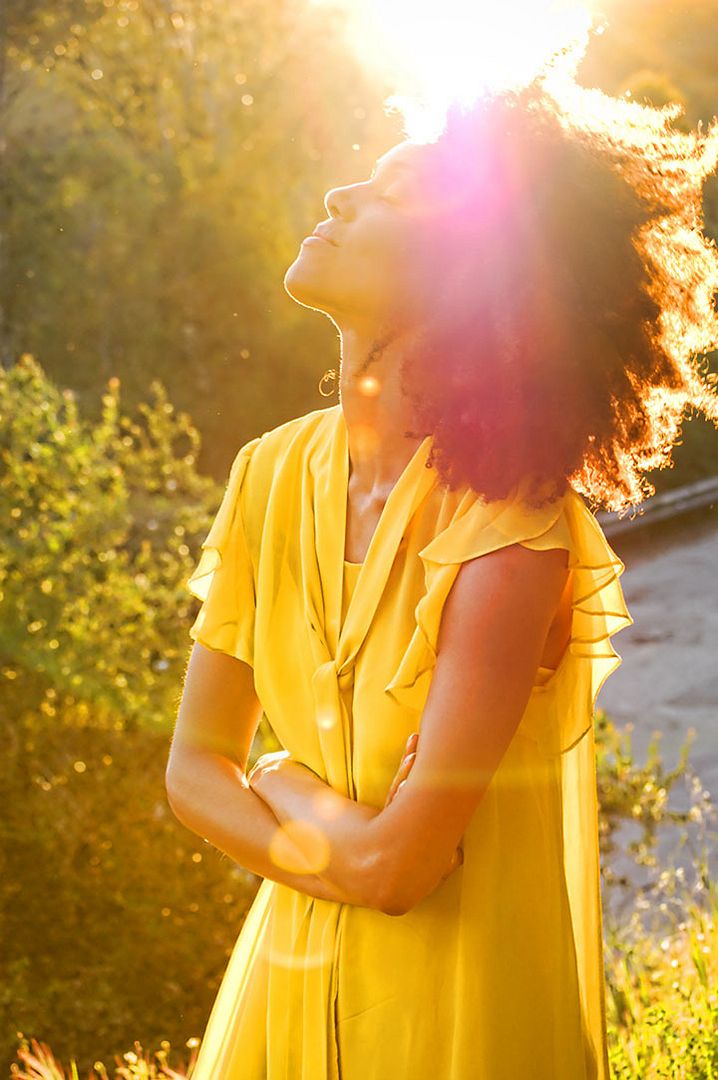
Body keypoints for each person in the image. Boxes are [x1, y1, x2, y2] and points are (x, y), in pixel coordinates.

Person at [165, 62, 718, 1080]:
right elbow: (191, 772)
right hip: (281, 1002)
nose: (340, 196)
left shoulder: (512, 531)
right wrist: (324, 820)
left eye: (395, 192)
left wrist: (281, 778)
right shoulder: (267, 473)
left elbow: (400, 866)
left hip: (457, 1027)